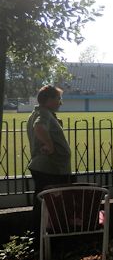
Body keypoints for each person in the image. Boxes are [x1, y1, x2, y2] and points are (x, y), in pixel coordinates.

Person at [27, 85, 72, 238]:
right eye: (58, 99)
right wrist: (50, 145)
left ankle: (41, 238)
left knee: (42, 204)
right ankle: (47, 240)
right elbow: (39, 127)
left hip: (47, 168)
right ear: (49, 100)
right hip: (50, 169)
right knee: (51, 206)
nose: (61, 102)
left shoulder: (40, 112)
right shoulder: (44, 114)